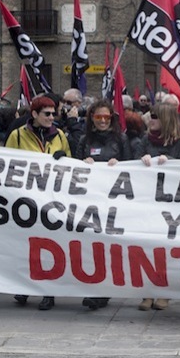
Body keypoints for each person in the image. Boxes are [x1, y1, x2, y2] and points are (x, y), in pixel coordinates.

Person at [5, 95, 71, 310]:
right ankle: (24, 287)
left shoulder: (59, 135)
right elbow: (6, 163)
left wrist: (65, 158)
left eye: (54, 113)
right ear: (34, 114)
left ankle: (47, 291)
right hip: (26, 200)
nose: (52, 117)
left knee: (48, 246)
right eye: (47, 114)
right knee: (25, 245)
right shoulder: (17, 135)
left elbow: (71, 165)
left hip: (52, 201)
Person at [77, 100, 132, 310]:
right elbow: (73, 166)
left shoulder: (121, 139)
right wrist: (83, 162)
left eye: (106, 118)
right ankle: (94, 288)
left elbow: (132, 166)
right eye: (98, 117)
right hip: (90, 201)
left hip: (114, 202)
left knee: (110, 247)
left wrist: (120, 165)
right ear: (92, 118)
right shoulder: (84, 140)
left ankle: (104, 291)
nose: (102, 121)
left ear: (111, 119)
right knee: (92, 246)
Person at [139, 103, 180, 312]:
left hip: (172, 205)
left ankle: (164, 291)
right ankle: (147, 292)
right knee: (147, 248)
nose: (150, 119)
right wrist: (140, 161)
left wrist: (170, 162)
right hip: (148, 202)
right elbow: (130, 165)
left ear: (166, 119)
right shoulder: (145, 141)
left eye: (154, 116)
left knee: (167, 249)